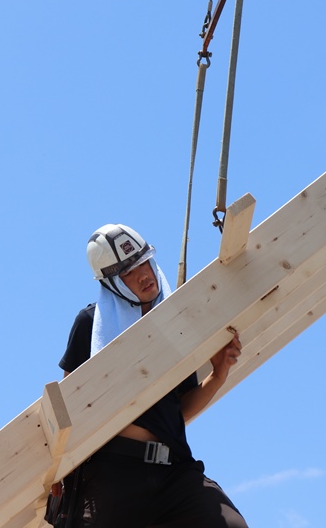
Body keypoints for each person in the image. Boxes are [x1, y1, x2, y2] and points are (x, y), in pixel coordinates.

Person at [57, 223, 248, 527]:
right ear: (111, 283)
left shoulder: (178, 325)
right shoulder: (91, 325)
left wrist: (219, 374)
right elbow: (69, 410)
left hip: (173, 470)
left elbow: (180, 409)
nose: (143, 274)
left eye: (143, 262)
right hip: (112, 473)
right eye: (127, 272)